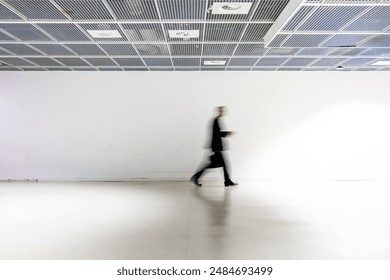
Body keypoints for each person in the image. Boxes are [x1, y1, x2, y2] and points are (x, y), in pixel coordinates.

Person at [190, 106, 237, 187]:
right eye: (222, 111)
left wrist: (225, 134)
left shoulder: (217, 120)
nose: (223, 112)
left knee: (220, 164)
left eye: (223, 111)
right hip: (216, 147)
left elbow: (217, 134)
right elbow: (216, 134)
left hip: (217, 147)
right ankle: (196, 177)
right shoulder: (215, 121)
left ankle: (227, 181)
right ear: (218, 112)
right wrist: (226, 133)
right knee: (216, 164)